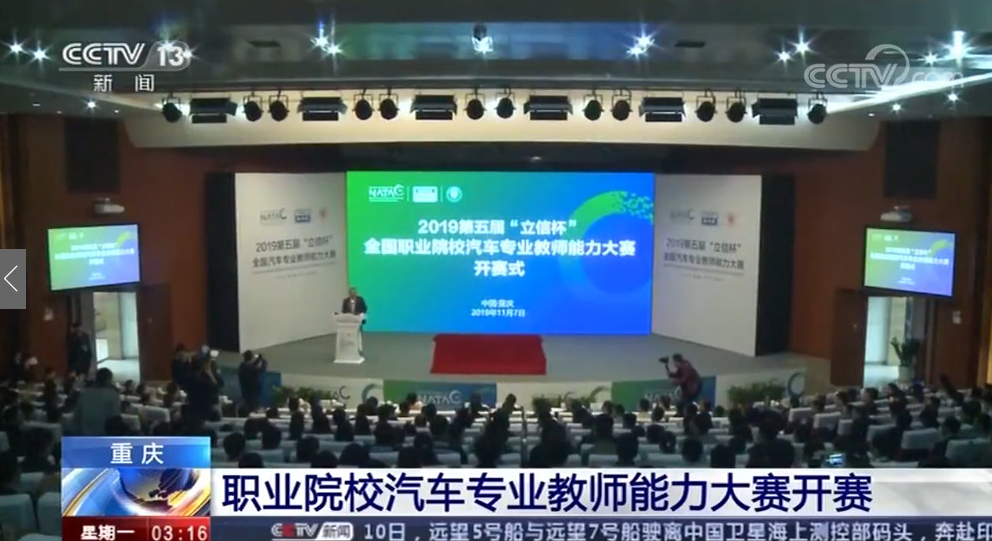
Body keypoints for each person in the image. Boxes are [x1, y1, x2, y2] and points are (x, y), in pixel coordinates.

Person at [70, 368, 120, 435]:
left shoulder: (84, 394)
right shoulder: (113, 395)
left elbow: (76, 417)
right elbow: (115, 419)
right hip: (103, 434)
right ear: (109, 380)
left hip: (84, 434)